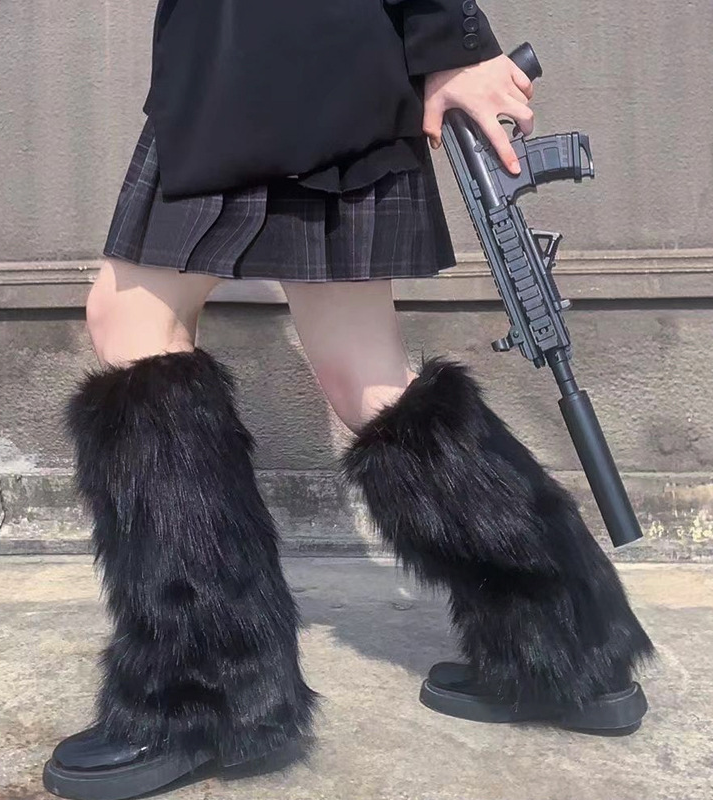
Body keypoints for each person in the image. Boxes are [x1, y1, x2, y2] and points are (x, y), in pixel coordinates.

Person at [42, 2, 653, 799]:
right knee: (363, 374)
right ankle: (568, 646)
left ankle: (203, 696)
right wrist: (445, 41)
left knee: (134, 325)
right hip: (318, 54)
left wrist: (452, 41)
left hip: (257, 56)